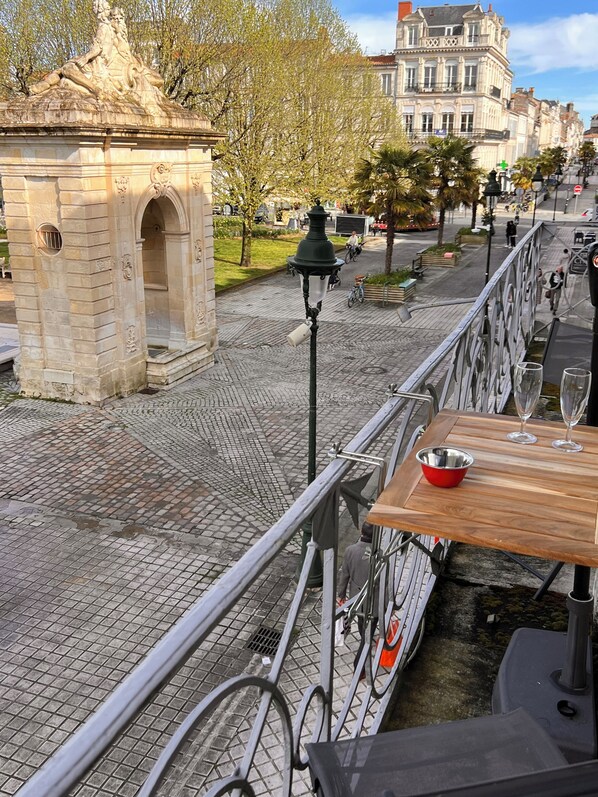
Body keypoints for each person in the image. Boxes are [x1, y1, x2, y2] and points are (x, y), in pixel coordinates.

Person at [338, 522, 378, 678]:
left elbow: (345, 575)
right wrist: (389, 603)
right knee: (368, 634)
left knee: (362, 625)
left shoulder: (350, 550)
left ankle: (365, 640)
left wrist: (341, 595)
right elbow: (385, 582)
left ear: (361, 531)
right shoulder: (378, 553)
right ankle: (359, 667)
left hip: (356, 597)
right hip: (373, 600)